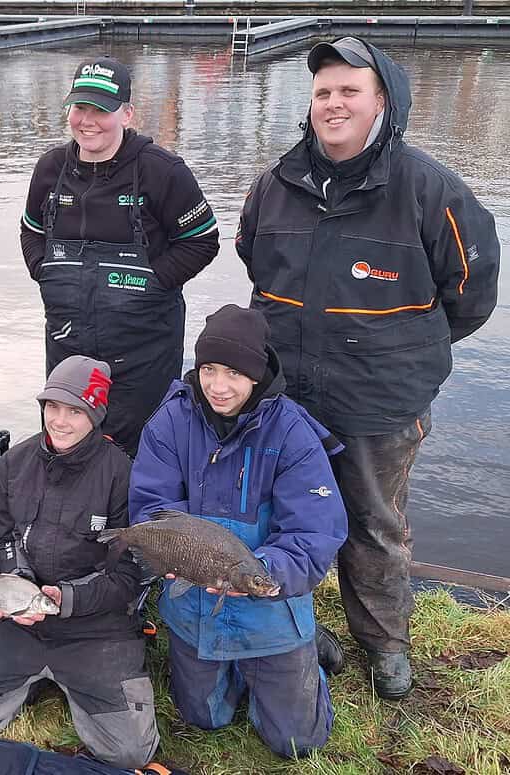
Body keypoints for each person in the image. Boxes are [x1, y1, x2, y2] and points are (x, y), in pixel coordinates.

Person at [235, 37, 500, 699]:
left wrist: (405, 356)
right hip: (287, 394)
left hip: (380, 400)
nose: (332, 103)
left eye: (348, 90)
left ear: (382, 100)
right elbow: (252, 261)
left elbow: (470, 291)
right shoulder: (274, 184)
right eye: (323, 91)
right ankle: (296, 627)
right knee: (280, 515)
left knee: (374, 525)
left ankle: (382, 643)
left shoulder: (428, 188)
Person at [130, 305, 348, 758]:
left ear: (256, 374)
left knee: (296, 742)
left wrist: (262, 575)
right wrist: (168, 555)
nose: (218, 386)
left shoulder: (292, 432)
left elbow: (314, 533)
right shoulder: (171, 420)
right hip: (195, 604)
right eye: (208, 369)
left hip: (270, 610)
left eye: (233, 372)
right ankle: (233, 673)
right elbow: (151, 508)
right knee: (203, 719)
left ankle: (307, 657)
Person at [0, 355, 159, 770]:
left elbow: (129, 573)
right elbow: (3, 537)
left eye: (74, 410)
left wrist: (69, 598)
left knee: (131, 752)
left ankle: (66, 677)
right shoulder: (13, 463)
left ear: (96, 413)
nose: (59, 420)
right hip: (24, 619)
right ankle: (33, 673)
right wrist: (19, 580)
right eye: (52, 406)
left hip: (95, 627)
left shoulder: (123, 474)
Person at [20, 56, 219, 456]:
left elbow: (203, 240)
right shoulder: (50, 169)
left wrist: (153, 281)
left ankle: (145, 519)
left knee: (141, 455)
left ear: (127, 113)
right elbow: (31, 231)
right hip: (67, 343)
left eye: (102, 110)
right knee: (70, 448)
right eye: (80, 108)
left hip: (142, 351)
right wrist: (46, 273)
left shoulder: (162, 171)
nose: (88, 121)